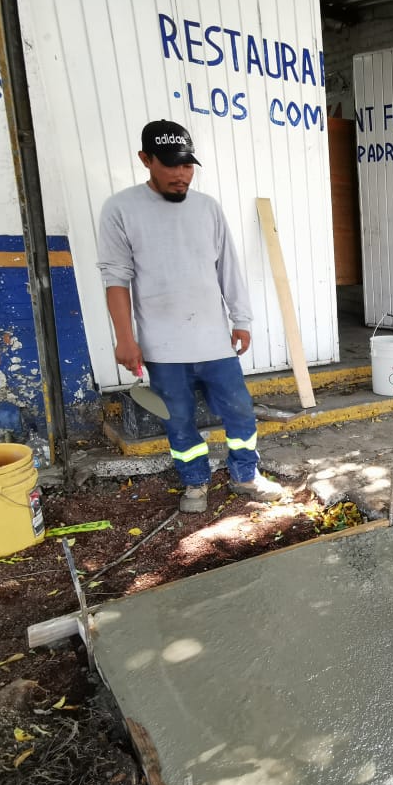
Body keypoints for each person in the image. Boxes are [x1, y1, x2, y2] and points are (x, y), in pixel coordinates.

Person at [97, 120, 286, 514]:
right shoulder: (121, 209)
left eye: (187, 165)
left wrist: (242, 319)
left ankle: (245, 474)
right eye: (170, 165)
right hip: (162, 347)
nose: (181, 174)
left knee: (239, 412)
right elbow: (115, 278)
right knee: (179, 420)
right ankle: (196, 482)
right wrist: (124, 338)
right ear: (145, 160)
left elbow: (228, 268)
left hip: (214, 341)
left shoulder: (207, 208)